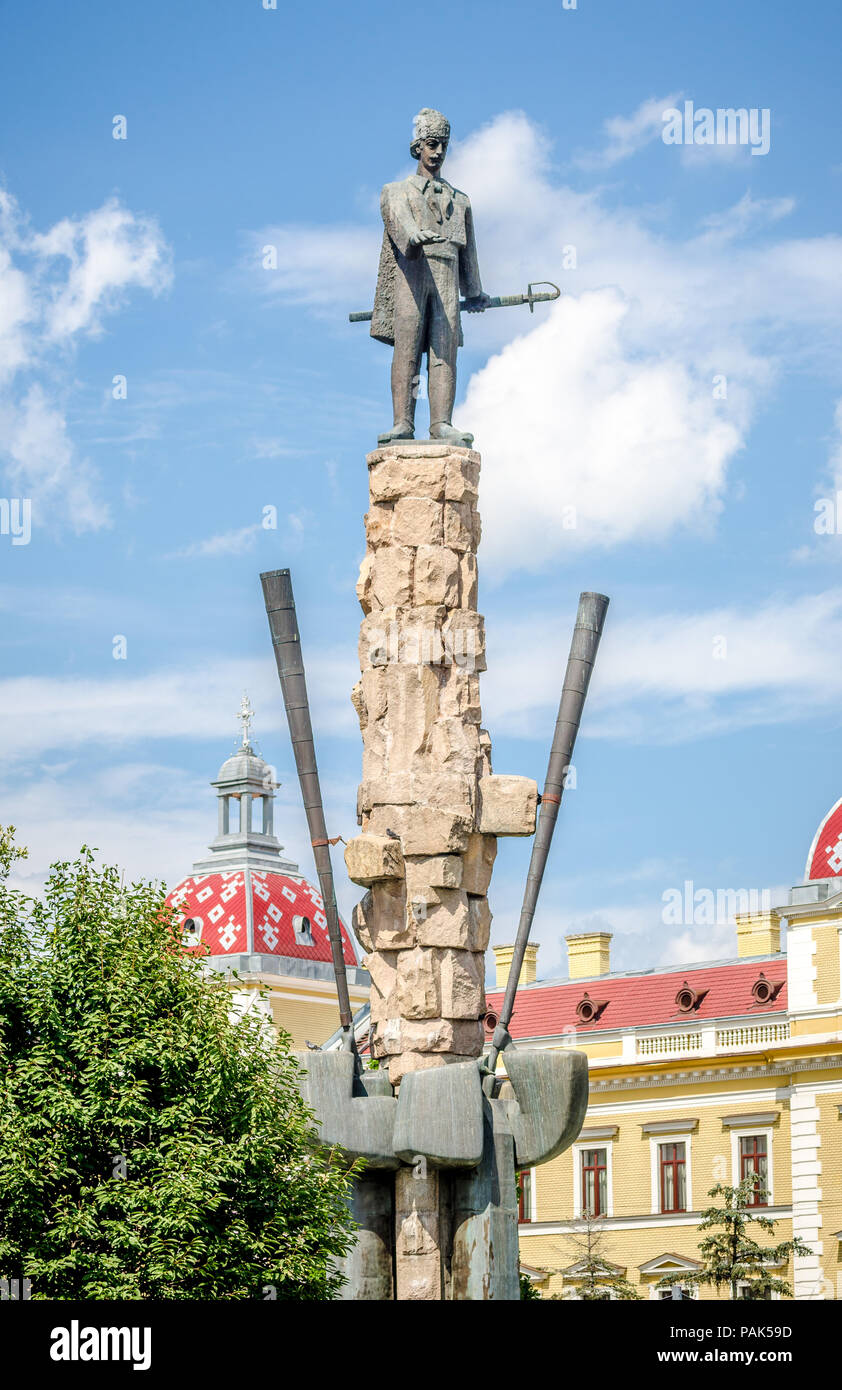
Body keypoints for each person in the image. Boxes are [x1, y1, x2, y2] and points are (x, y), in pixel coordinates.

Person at [371, 108, 490, 446]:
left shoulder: (461, 200)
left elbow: (470, 254)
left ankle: (441, 423)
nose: (438, 152)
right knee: (407, 349)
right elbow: (398, 222)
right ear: (418, 148)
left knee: (444, 351)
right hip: (413, 274)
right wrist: (414, 234)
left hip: (448, 276)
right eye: (432, 144)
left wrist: (476, 291)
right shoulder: (396, 191)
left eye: (443, 146)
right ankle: (401, 423)